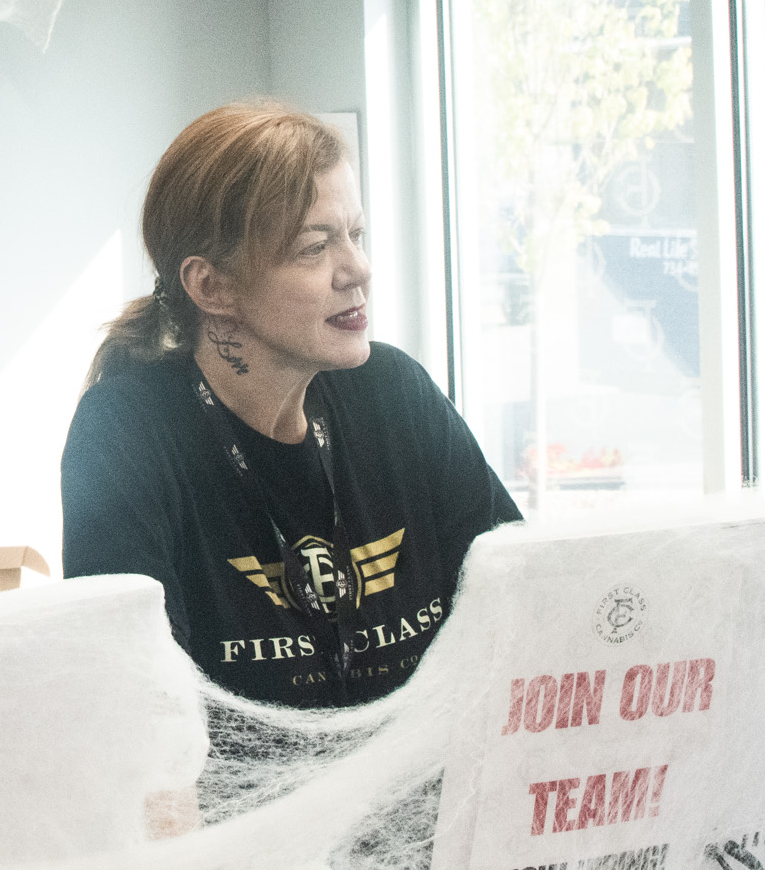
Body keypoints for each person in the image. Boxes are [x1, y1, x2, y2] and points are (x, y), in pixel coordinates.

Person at [60, 101, 519, 708]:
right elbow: (134, 707)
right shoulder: (124, 436)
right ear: (212, 286)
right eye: (314, 247)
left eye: (355, 236)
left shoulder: (395, 394)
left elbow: (520, 599)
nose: (358, 270)